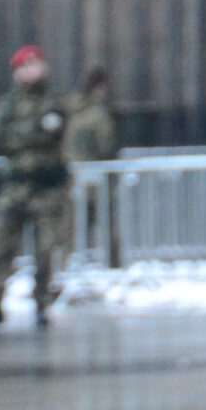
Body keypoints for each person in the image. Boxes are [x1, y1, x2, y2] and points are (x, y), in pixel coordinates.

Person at [0, 45, 72, 327]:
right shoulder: (8, 104)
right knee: (0, 245)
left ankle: (41, 303)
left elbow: (55, 133)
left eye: (35, 65)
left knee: (45, 250)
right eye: (24, 67)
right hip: (16, 186)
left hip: (46, 186)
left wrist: (26, 135)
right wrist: (33, 132)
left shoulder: (55, 101)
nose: (30, 71)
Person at [65, 67, 120, 268]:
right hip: (96, 174)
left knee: (72, 223)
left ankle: (68, 261)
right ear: (100, 88)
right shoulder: (98, 114)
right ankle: (114, 263)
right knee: (105, 220)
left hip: (71, 173)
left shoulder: (70, 110)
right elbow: (107, 145)